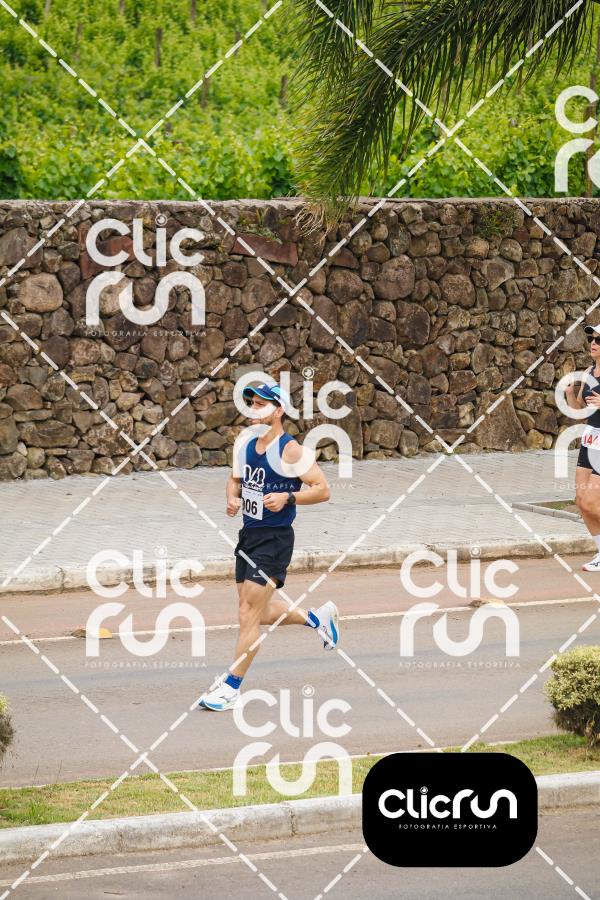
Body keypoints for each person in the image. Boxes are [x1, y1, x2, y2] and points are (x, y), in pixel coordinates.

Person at [199, 382, 339, 711]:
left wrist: (288, 497)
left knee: (247, 613)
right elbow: (235, 480)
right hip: (249, 537)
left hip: (275, 540)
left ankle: (231, 687)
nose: (254, 409)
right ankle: (316, 619)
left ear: (278, 411)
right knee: (257, 612)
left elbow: (322, 489)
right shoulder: (246, 443)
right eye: (252, 403)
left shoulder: (291, 450)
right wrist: (232, 499)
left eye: (261, 404)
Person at [567, 323, 600, 571]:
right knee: (581, 500)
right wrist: (570, 394)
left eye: (599, 340)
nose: (593, 344)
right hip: (590, 440)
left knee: (591, 501)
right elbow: (579, 412)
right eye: (591, 339)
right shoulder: (589, 371)